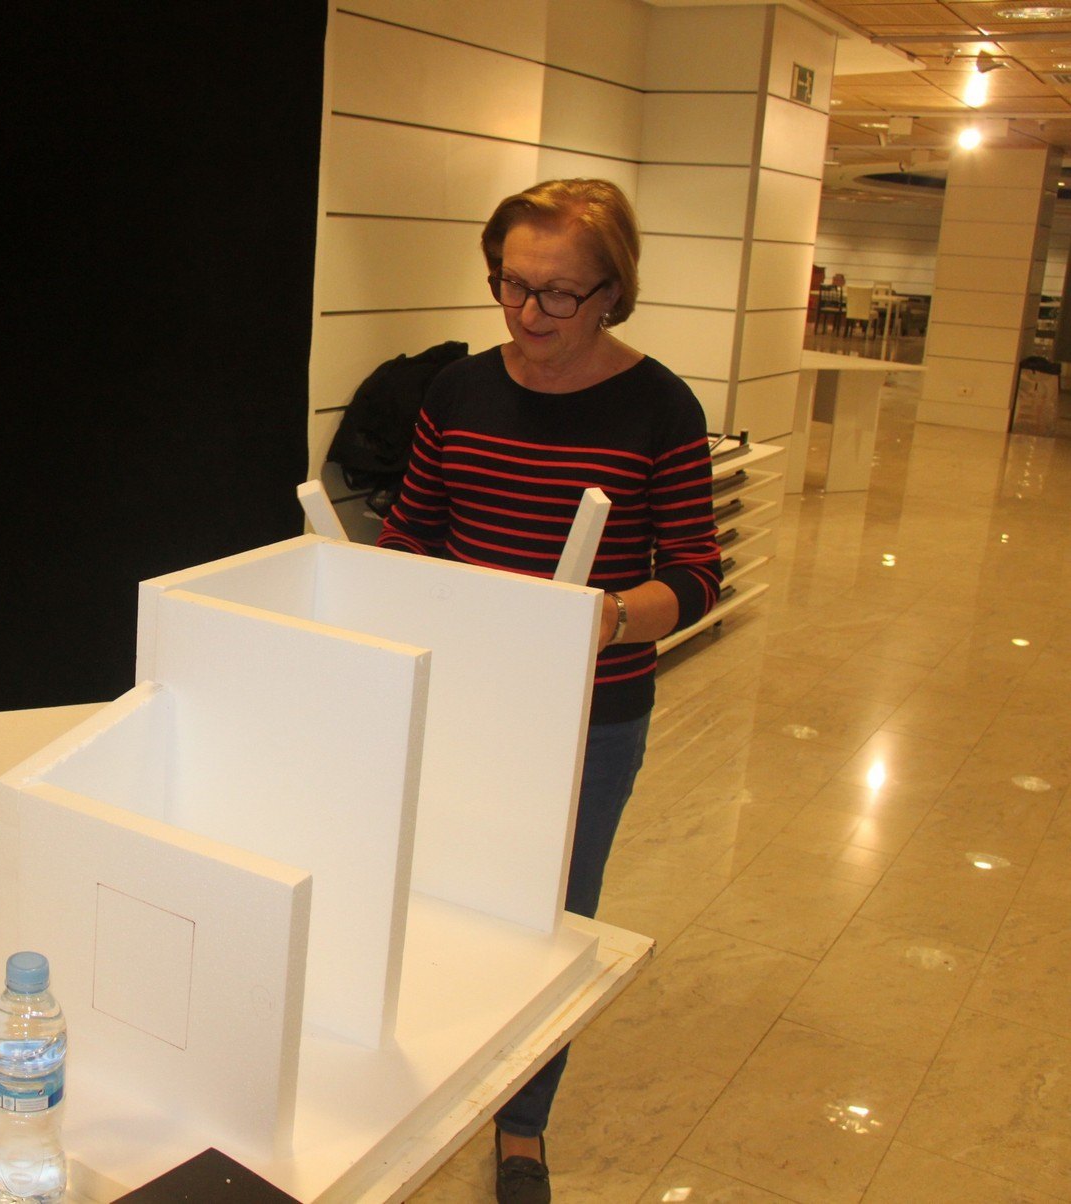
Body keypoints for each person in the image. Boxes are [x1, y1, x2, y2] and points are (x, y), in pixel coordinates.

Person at [376, 178, 720, 1204]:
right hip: (459, 700)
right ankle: (428, 1075)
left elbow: (696, 573)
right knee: (436, 897)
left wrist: (609, 615)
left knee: (551, 916)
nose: (529, 314)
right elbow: (412, 530)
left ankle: (521, 1123)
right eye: (511, 285)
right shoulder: (457, 391)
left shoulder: (661, 406)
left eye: (560, 294)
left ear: (613, 291)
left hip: (586, 716)